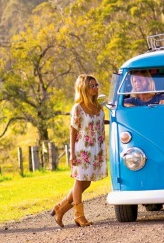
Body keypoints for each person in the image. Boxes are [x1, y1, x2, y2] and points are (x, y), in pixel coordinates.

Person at [50, 74, 107, 227]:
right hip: (82, 149)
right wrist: (72, 154)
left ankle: (60, 209)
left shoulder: (99, 106)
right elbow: (73, 131)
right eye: (92, 86)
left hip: (96, 149)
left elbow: (98, 122)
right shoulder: (78, 108)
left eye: (96, 85)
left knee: (86, 184)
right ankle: (79, 215)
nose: (95, 88)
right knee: (79, 181)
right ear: (84, 88)